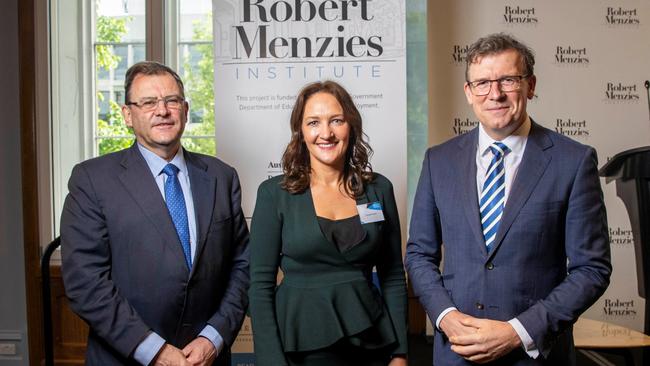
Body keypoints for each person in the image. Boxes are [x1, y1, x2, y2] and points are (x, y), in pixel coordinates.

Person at [405, 33, 611, 365]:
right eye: (483, 83)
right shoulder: (437, 162)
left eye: (508, 80)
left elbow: (592, 269)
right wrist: (445, 316)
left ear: (530, 85)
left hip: (534, 356)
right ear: (469, 93)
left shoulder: (573, 161)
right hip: (457, 353)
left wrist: (518, 331)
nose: (495, 94)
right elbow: (418, 254)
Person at [61, 61, 249, 366]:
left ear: (185, 110)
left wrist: (213, 338)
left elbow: (243, 266)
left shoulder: (221, 177)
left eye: (171, 101)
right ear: (127, 115)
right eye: (148, 102)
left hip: (206, 358)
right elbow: (86, 282)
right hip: (125, 358)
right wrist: (155, 351)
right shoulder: (92, 180)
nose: (162, 111)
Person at [248, 80, 408, 366]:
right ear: (300, 131)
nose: (326, 133)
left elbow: (393, 275)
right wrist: (270, 361)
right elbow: (259, 285)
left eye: (337, 120)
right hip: (301, 346)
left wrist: (400, 353)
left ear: (351, 126)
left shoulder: (378, 189)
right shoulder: (275, 194)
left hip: (373, 341)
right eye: (313, 122)